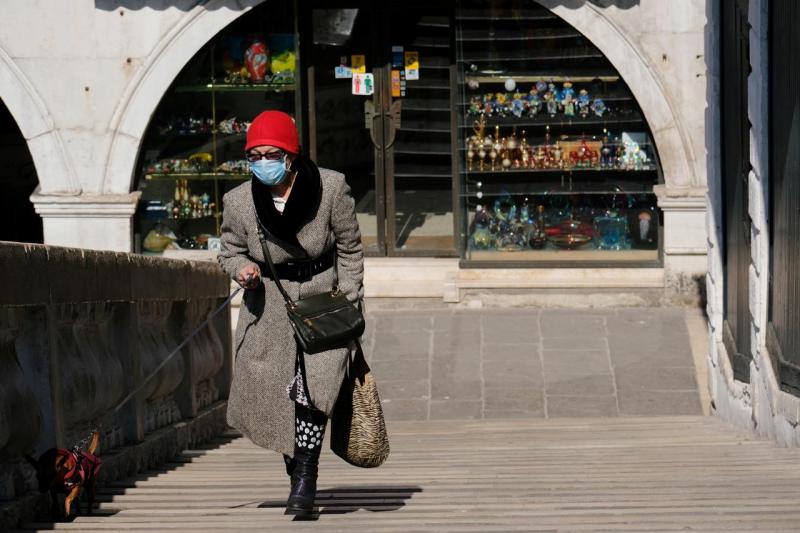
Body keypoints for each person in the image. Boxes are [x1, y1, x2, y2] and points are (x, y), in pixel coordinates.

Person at [216, 110, 364, 515]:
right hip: (270, 307)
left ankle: (305, 481)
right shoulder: (239, 201)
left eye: (270, 153)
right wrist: (241, 270)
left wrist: (349, 297)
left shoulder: (332, 188)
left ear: (291, 155)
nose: (262, 162)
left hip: (324, 303)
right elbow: (229, 250)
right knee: (279, 396)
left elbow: (350, 248)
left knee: (313, 393)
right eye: (254, 156)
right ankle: (297, 464)